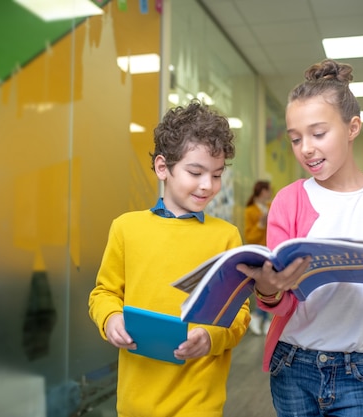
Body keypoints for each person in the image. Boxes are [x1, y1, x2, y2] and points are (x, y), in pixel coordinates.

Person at [236, 59, 363, 417]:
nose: (305, 148)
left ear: (352, 127)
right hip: (292, 363)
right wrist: (267, 287)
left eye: (318, 134)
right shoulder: (287, 201)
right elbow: (277, 301)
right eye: (295, 139)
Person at [89, 100, 250, 417]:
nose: (208, 185)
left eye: (217, 175)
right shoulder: (125, 228)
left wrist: (210, 337)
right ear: (163, 167)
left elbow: (239, 313)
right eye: (195, 172)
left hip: (199, 402)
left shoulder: (227, 236)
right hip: (136, 402)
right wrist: (110, 319)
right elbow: (103, 293)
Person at [244, 180, 273, 335]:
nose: (271, 192)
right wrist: (261, 224)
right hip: (257, 254)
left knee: (271, 286)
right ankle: (260, 317)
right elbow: (250, 237)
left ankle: (262, 317)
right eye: (269, 190)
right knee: (263, 287)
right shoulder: (250, 211)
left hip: (271, 252)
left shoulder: (270, 207)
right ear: (263, 191)